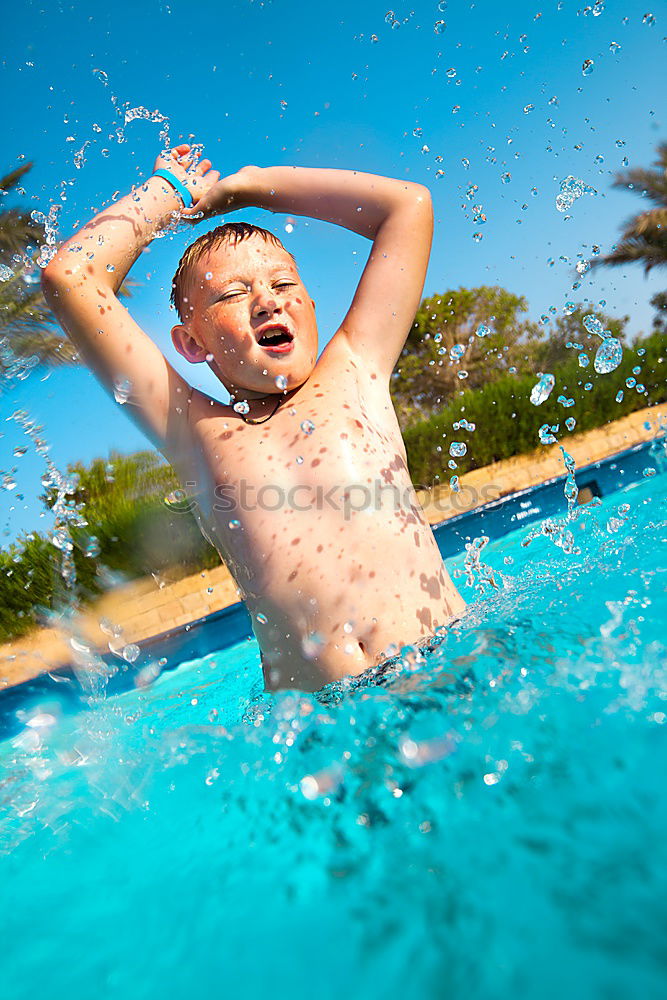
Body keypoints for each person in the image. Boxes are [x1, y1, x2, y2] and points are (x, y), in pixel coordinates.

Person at [42, 144, 466, 691]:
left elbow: (408, 206)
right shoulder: (192, 432)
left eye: (284, 285)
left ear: (311, 308)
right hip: (323, 719)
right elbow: (70, 278)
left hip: (446, 661)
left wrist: (244, 189)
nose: (267, 301)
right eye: (234, 294)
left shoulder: (356, 370)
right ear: (191, 343)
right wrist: (166, 191)